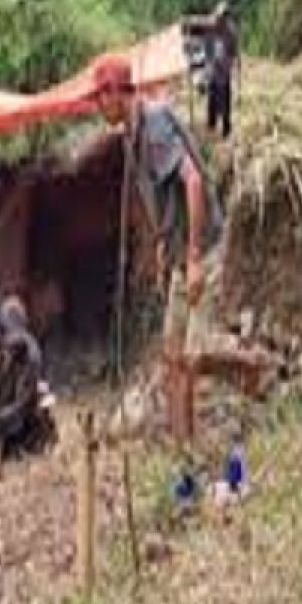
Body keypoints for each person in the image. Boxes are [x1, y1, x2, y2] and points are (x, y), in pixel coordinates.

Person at [91, 53, 224, 441]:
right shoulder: (132, 134)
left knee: (190, 359)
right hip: (181, 250)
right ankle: (183, 447)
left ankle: (251, 370)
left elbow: (193, 182)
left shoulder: (153, 126)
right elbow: (162, 192)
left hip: (201, 250)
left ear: (118, 92)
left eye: (101, 96)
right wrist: (166, 243)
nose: (98, 106)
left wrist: (196, 257)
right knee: (172, 357)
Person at [0, 295, 55, 468]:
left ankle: (33, 441)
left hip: (21, 419)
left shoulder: (30, 358)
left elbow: (20, 407)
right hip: (4, 411)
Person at [182, 1, 239, 139]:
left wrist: (227, 66)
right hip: (212, 67)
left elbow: (232, 53)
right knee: (212, 97)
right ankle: (211, 124)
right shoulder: (210, 27)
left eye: (223, 18)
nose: (220, 21)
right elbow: (192, 24)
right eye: (219, 17)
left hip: (223, 70)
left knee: (224, 99)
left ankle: (226, 128)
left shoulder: (230, 31)